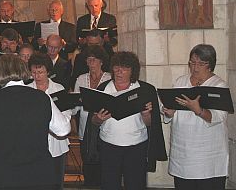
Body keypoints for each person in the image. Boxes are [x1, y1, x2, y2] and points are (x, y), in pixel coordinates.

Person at [0, 54, 71, 190]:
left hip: (4, 175)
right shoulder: (42, 97)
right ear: (24, 70)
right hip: (39, 175)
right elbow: (63, 130)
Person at [91, 51, 166, 189]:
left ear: (133, 71)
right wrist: (99, 118)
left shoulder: (145, 90)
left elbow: (151, 124)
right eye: (116, 68)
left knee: (135, 183)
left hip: (136, 145)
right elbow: (93, 121)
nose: (119, 72)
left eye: (124, 68)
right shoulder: (103, 88)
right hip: (109, 144)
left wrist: (146, 115)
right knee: (109, 183)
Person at [162, 44, 228, 189]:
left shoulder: (218, 86)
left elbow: (219, 117)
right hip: (182, 152)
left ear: (210, 65)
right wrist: (169, 112)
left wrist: (198, 110)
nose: (195, 67)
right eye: (192, 62)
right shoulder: (181, 81)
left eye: (200, 63)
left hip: (208, 156)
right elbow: (170, 108)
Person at [27, 53, 72, 189]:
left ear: (48, 71)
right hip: (33, 146)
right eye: (34, 72)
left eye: (40, 72)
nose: (37, 76)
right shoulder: (27, 90)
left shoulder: (59, 89)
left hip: (56, 144)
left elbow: (67, 116)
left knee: (55, 183)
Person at [72, 45, 111, 187]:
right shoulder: (81, 79)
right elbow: (75, 107)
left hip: (105, 127)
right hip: (85, 128)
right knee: (87, 162)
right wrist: (75, 101)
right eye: (88, 60)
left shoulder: (109, 78)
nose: (91, 63)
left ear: (101, 61)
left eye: (94, 60)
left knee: (104, 164)